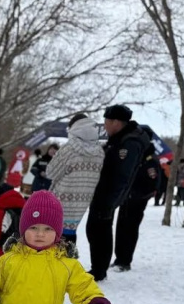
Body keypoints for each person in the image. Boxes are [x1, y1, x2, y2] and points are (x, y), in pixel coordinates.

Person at [85, 104, 151, 281]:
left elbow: (122, 176)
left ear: (116, 122)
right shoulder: (119, 139)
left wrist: (110, 202)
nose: (104, 124)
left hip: (107, 196)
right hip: (103, 194)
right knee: (95, 230)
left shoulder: (128, 143)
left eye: (106, 120)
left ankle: (99, 270)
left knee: (99, 230)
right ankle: (98, 267)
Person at [46, 114, 104, 245]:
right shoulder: (100, 151)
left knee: (54, 236)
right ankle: (68, 262)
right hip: (82, 200)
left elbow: (50, 172)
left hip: (61, 199)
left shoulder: (69, 148)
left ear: (73, 128)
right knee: (70, 234)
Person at [112, 123, 159, 272]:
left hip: (137, 200)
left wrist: (138, 195)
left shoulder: (149, 158)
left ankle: (125, 261)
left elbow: (153, 182)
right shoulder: (134, 153)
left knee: (130, 229)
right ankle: (119, 258)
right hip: (125, 197)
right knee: (120, 228)